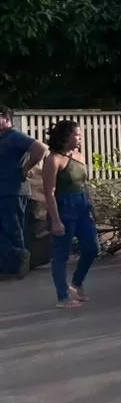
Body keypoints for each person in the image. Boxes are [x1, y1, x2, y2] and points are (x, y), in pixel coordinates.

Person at [40, 120, 99, 309]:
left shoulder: (80, 157)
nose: (80, 137)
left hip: (82, 206)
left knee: (92, 248)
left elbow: (84, 183)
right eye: (77, 134)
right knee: (61, 255)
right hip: (64, 208)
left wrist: (92, 206)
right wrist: (56, 220)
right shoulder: (53, 160)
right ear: (66, 137)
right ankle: (63, 297)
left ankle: (76, 283)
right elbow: (49, 192)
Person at [0, 105, 47, 279]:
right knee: (4, 231)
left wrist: (26, 168)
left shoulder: (14, 136)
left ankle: (19, 262)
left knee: (13, 229)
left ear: (6, 118)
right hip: (3, 191)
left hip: (13, 191)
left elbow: (40, 148)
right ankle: (12, 262)